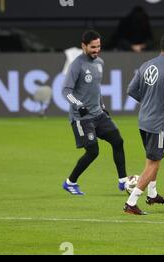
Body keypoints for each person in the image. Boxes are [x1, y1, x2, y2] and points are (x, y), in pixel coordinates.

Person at [124, 33, 164, 215]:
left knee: (152, 159)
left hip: (143, 120)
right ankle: (131, 202)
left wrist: (149, 102)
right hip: (158, 123)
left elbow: (131, 90)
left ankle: (152, 194)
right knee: (154, 163)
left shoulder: (146, 65)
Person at [62, 30, 128, 195]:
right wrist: (79, 105)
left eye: (98, 46)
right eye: (92, 47)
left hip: (98, 114)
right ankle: (70, 182)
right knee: (93, 151)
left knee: (118, 141)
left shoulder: (100, 63)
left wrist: (102, 106)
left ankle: (123, 181)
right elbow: (66, 91)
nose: (96, 50)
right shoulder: (77, 65)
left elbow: (95, 89)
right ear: (83, 46)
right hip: (81, 118)